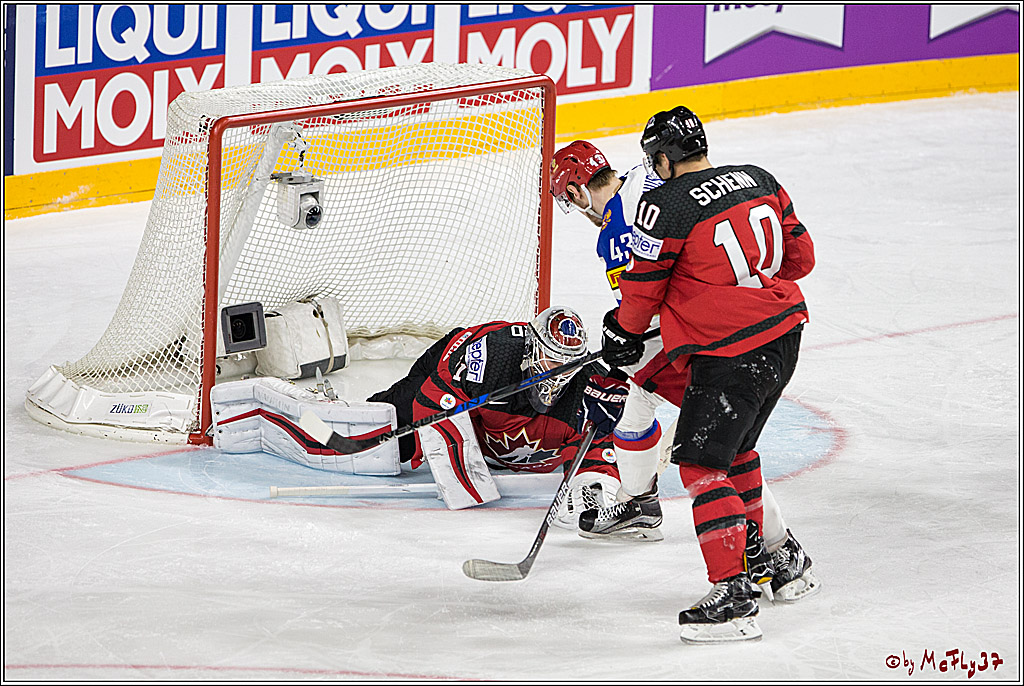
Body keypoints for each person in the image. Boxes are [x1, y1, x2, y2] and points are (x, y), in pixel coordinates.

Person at [551, 138, 820, 605]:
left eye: (569, 201)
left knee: (716, 453)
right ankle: (639, 502)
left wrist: (620, 346)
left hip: (706, 339)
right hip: (762, 322)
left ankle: (775, 549)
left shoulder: (616, 228)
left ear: (575, 192)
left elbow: (644, 306)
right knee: (648, 411)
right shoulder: (647, 181)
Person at [368, 305, 630, 525]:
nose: (560, 372)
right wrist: (459, 471)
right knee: (394, 427)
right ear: (532, 349)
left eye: (569, 364)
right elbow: (435, 396)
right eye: (552, 360)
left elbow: (602, 452)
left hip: (498, 435)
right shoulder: (492, 357)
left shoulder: (589, 388)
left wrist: (591, 487)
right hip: (448, 364)